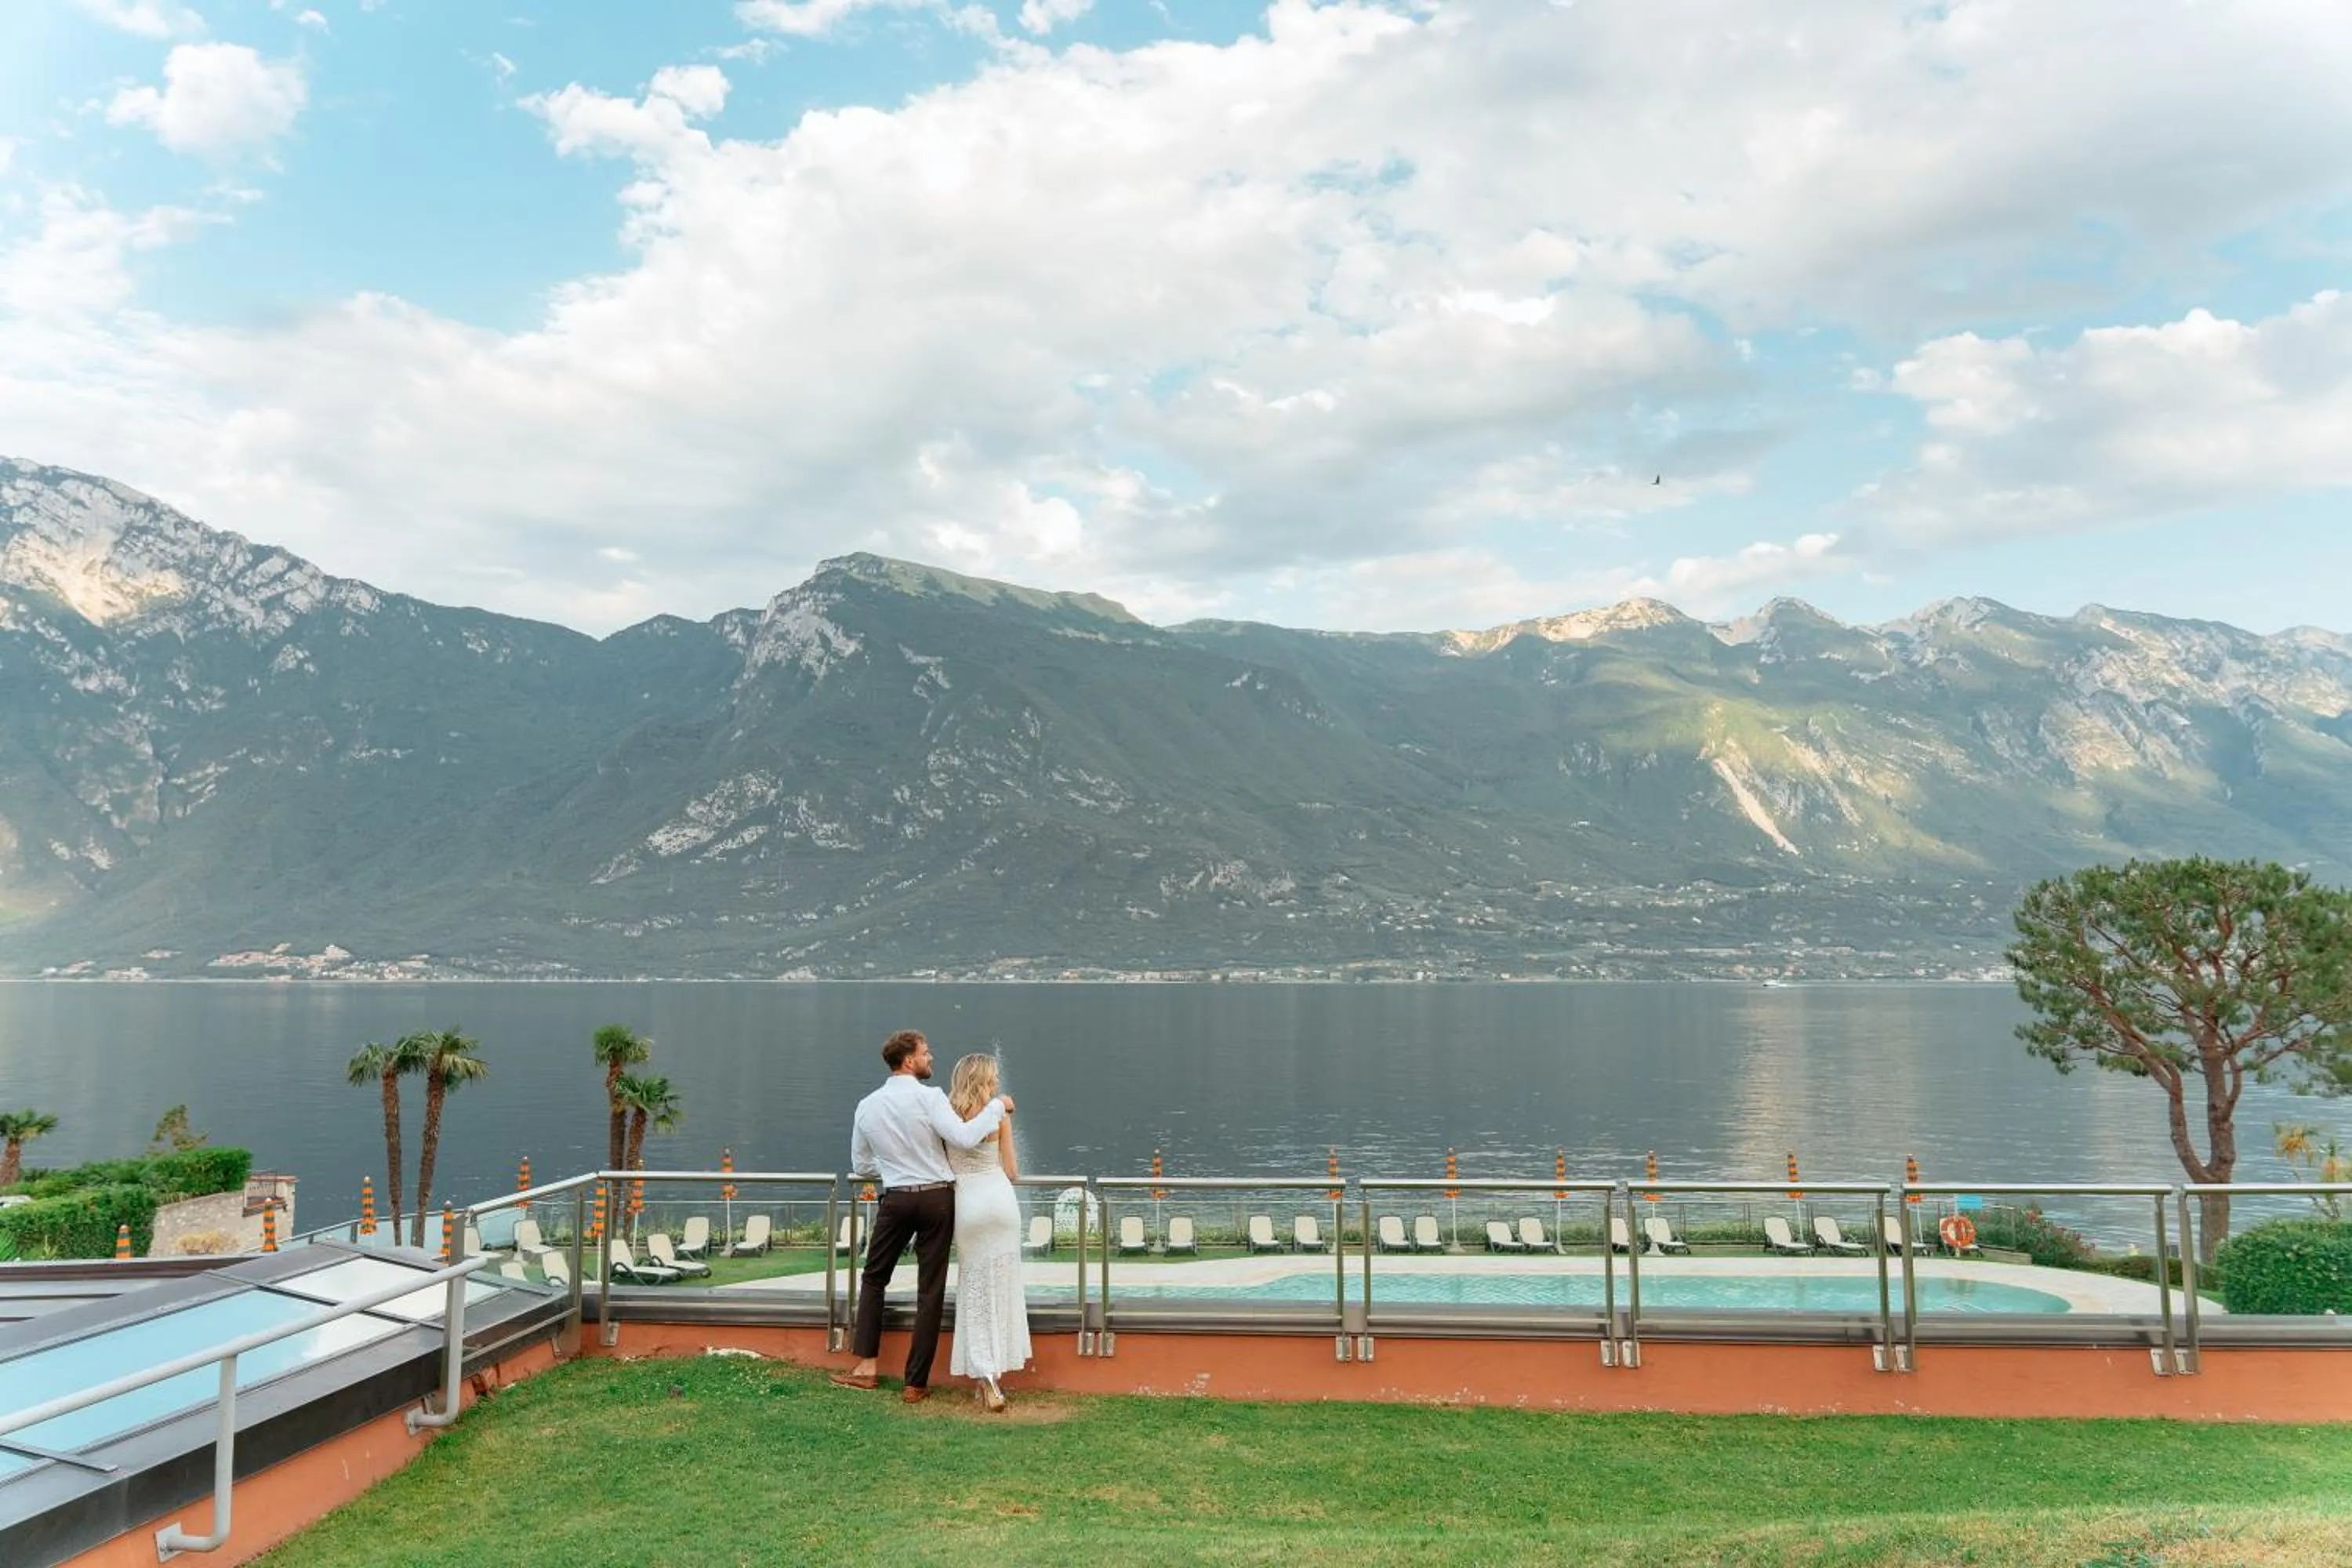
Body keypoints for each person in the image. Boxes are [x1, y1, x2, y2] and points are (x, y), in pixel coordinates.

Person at [833, 1029, 1011, 1403]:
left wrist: (895, 1168)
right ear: (909, 1060)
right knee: (930, 1289)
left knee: (874, 1278)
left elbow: (861, 1165)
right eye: (926, 1053)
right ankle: (915, 1383)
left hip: (897, 1198)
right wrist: (997, 1108)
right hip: (937, 1198)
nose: (931, 1059)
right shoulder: (931, 1098)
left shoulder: (867, 1105)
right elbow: (964, 1138)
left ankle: (866, 1367)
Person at [943, 1053, 1030, 1412]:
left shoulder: (947, 1114)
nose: (996, 1083)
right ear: (983, 1080)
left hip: (969, 1203)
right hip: (1000, 1202)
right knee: (1003, 1287)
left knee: (975, 1288)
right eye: (992, 1077)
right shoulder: (999, 1116)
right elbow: (1011, 1170)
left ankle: (986, 1377)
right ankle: (993, 1377)